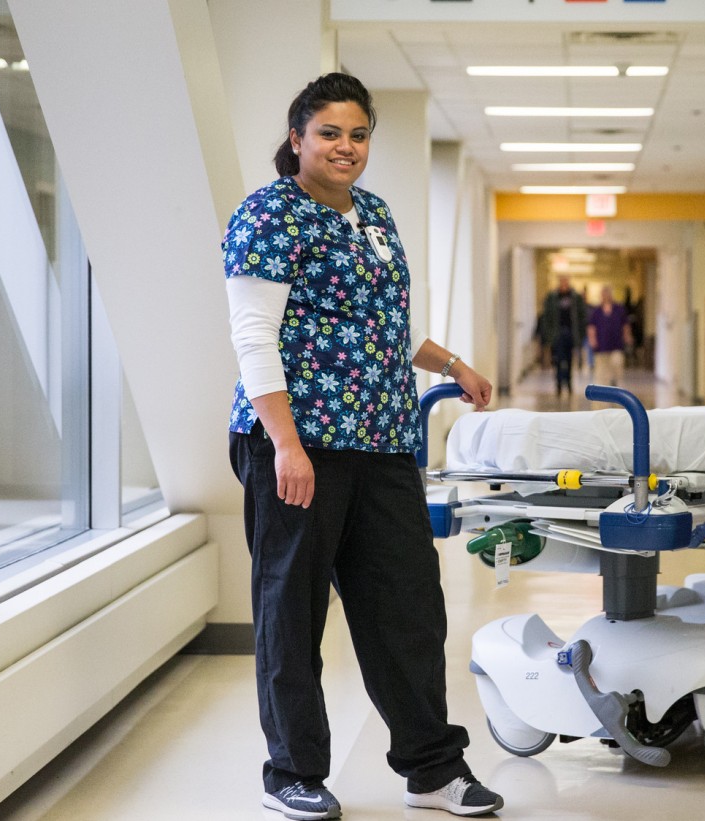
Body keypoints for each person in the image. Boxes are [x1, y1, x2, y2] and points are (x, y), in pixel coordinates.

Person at [222, 72, 504, 820]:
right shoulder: (268, 215)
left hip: (382, 440)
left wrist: (453, 366)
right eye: (329, 133)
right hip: (297, 442)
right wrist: (285, 443)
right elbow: (253, 337)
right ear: (297, 139)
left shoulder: (373, 214)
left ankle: (433, 767)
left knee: (409, 604)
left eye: (357, 134)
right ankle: (292, 770)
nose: (345, 147)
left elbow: (390, 325)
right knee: (292, 607)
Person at [540, 275, 586, 398]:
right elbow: (547, 317)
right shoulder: (552, 297)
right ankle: (559, 384)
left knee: (570, 361)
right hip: (558, 334)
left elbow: (581, 317)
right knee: (559, 361)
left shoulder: (575, 298)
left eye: (566, 282)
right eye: (562, 282)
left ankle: (569, 384)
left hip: (571, 334)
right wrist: (549, 335)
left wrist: (580, 335)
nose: (564, 284)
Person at [587, 286, 632, 387]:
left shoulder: (619, 309)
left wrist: (627, 337)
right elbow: (591, 328)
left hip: (617, 345)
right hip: (601, 347)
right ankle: (604, 395)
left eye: (608, 294)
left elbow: (625, 326)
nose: (606, 296)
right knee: (602, 373)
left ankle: (616, 390)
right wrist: (592, 340)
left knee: (617, 368)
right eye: (604, 294)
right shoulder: (596, 311)